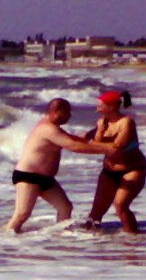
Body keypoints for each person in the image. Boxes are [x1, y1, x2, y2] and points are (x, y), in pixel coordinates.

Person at [6, 98, 115, 233]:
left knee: (65, 207)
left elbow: (77, 139)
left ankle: (61, 237)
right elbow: (74, 146)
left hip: (45, 179)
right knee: (22, 213)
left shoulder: (55, 129)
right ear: (56, 111)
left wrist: (98, 130)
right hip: (29, 176)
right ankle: (6, 238)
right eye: (67, 112)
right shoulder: (47, 129)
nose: (70, 116)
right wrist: (108, 149)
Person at [85, 91, 146, 233]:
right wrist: (100, 131)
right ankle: (90, 239)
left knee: (120, 205)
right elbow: (98, 142)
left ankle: (133, 238)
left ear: (112, 107)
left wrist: (91, 144)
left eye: (100, 106)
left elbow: (117, 146)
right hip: (109, 170)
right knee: (96, 212)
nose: (97, 109)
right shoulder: (101, 122)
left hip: (132, 169)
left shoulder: (126, 122)